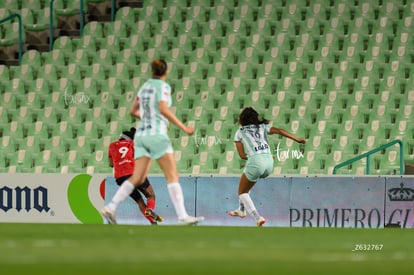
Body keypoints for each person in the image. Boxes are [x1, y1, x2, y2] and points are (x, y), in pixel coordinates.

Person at [101, 59, 204, 225]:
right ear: (165, 71)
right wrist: (183, 127)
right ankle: (182, 216)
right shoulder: (162, 86)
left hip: (141, 136)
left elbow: (133, 111)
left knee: (137, 177)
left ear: (152, 71)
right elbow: (163, 109)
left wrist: (148, 117)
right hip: (156, 134)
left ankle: (111, 207)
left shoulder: (145, 87)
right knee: (172, 175)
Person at [228, 107, 306, 226]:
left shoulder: (239, 132)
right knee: (246, 186)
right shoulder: (262, 127)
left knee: (242, 192)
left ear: (242, 119)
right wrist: (298, 139)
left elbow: (242, 155)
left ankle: (257, 217)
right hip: (269, 161)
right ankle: (241, 210)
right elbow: (279, 131)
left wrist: (254, 157)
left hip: (256, 161)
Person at [108, 127, 162, 225]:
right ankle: (150, 210)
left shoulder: (112, 146)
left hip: (121, 178)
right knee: (150, 195)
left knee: (139, 201)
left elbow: (111, 164)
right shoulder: (132, 144)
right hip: (134, 174)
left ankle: (153, 222)